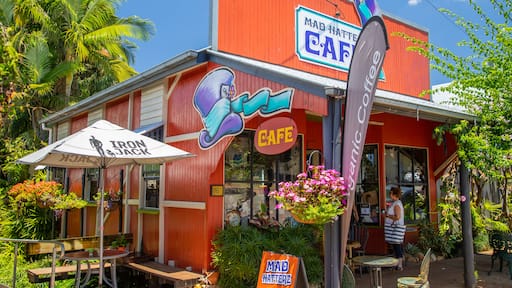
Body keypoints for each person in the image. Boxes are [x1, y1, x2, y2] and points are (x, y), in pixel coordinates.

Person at [385, 186, 405, 271]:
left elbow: (397, 216)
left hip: (396, 228)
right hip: (395, 227)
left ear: (394, 194)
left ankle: (399, 264)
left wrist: (388, 215)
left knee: (397, 245)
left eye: (391, 193)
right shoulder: (395, 203)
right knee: (396, 245)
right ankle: (397, 263)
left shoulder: (397, 204)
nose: (390, 194)